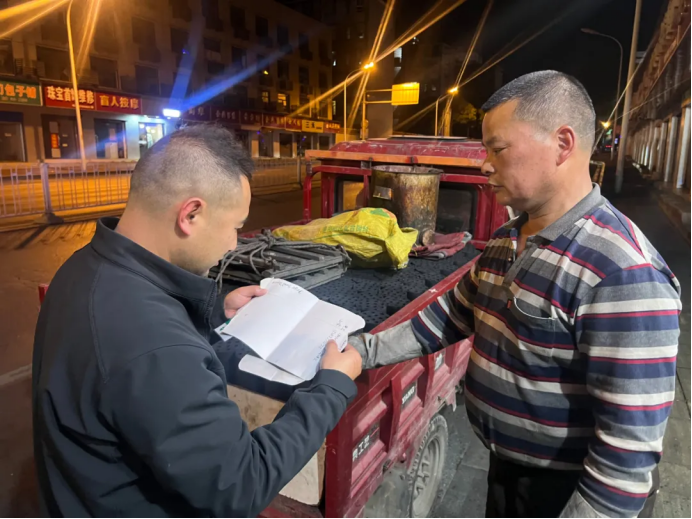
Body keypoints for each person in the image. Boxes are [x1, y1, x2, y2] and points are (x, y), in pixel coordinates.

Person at [350, 71, 681, 519]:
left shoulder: (623, 273)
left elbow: (625, 458)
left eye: (498, 149)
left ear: (562, 144)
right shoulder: (507, 239)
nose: (485, 165)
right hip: (507, 471)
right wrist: (362, 352)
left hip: (565, 492)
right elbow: (452, 315)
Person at [32, 125, 362, 518]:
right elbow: (240, 485)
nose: (233, 244)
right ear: (191, 214)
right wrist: (331, 387)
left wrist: (216, 312)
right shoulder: (157, 348)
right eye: (235, 227)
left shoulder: (82, 269)